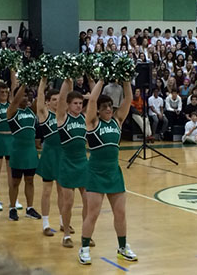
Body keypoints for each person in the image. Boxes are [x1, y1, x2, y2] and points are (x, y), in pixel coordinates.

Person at [79, 79, 137, 265]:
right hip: (96, 171)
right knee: (93, 214)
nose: (109, 109)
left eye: (110, 106)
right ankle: (84, 248)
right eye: (104, 107)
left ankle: (122, 247)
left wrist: (126, 79)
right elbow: (93, 100)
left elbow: (128, 98)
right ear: (98, 109)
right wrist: (102, 80)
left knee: (120, 213)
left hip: (114, 172)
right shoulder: (92, 122)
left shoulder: (117, 121)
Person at [56, 79, 90, 248]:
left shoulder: (84, 118)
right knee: (68, 202)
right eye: (75, 103)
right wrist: (67, 79)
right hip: (67, 162)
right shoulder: (62, 118)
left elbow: (95, 101)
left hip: (83, 162)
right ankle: (67, 235)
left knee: (88, 202)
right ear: (68, 105)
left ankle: (86, 234)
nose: (78, 106)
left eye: (80, 103)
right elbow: (62, 98)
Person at [7, 84, 41, 221]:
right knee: (15, 182)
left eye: (27, 95)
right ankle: (12, 208)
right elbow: (15, 100)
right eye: (23, 95)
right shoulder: (12, 111)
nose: (26, 98)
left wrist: (41, 81)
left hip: (30, 151)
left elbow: (40, 98)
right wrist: (25, 82)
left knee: (30, 180)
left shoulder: (32, 111)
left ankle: (30, 208)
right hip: (17, 151)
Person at [0, 69, 22, 211]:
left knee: (11, 172)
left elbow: (15, 86)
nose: (4, 94)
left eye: (5, 92)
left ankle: (13, 199)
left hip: (11, 139)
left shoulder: (11, 105)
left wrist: (13, 69)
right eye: (1, 92)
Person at [36, 78, 63, 237]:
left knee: (63, 191)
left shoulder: (64, 115)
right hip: (49, 153)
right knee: (47, 190)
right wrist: (43, 80)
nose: (57, 102)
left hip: (63, 154)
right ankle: (45, 223)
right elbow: (40, 96)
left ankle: (63, 221)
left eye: (59, 100)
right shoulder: (44, 114)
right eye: (54, 100)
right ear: (47, 102)